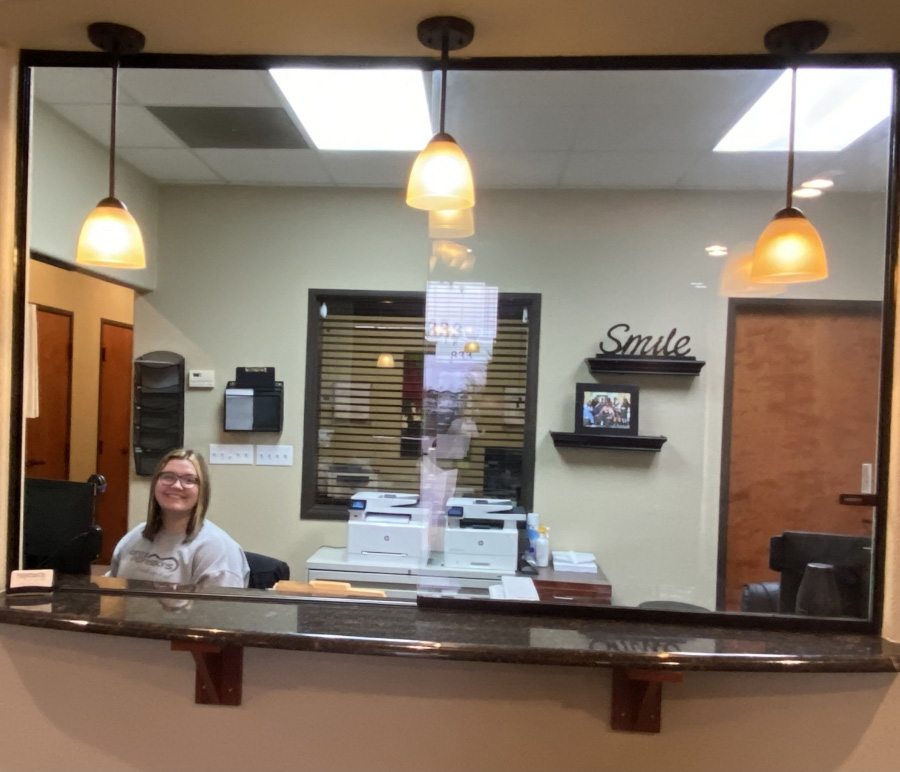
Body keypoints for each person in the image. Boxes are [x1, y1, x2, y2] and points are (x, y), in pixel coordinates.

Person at [108, 448, 250, 588]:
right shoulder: (135, 537)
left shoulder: (218, 550)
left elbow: (219, 609)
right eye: (168, 477)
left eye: (189, 480)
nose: (176, 485)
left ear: (202, 490)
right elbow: (112, 590)